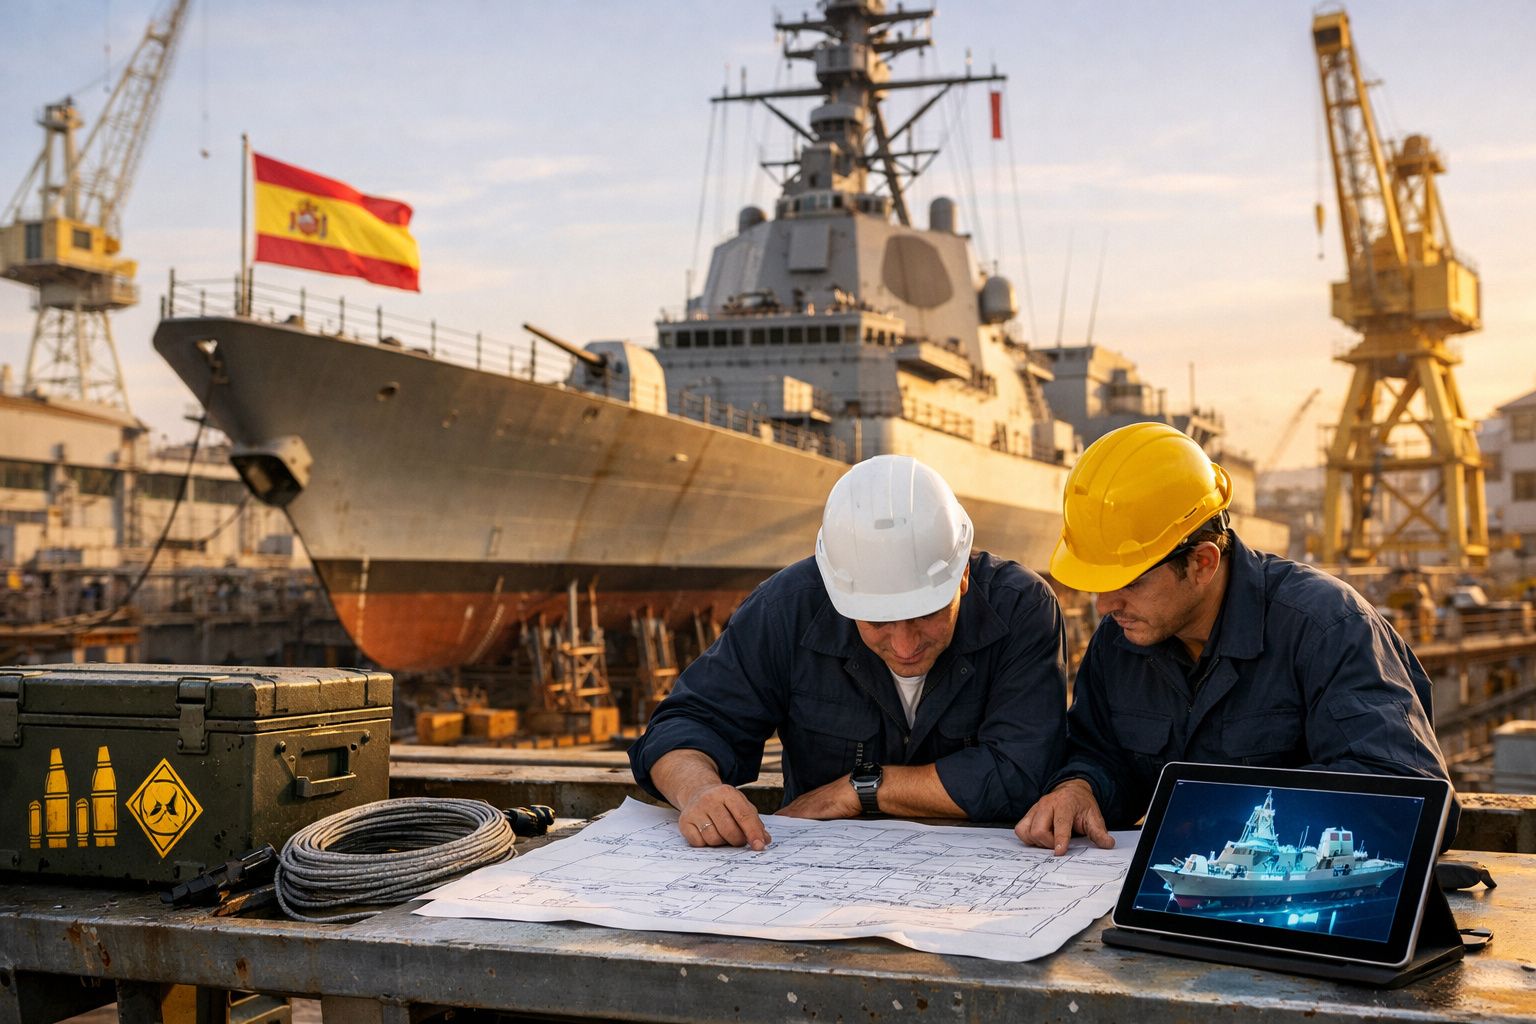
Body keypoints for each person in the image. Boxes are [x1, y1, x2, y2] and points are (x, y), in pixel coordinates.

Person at [1015, 422, 1458, 855]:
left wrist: (1225, 824)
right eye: (1098, 584)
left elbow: (1412, 796)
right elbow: (1101, 753)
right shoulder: (1121, 640)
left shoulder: (1326, 628)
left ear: (1203, 563)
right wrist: (1080, 787)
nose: (1104, 606)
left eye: (1127, 582)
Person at [630, 454, 1067, 849]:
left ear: (963, 578)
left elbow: (1021, 773)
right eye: (877, 621)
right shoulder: (785, 610)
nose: (905, 645)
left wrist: (859, 789)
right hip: (815, 875)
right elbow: (687, 723)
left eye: (925, 615)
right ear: (838, 594)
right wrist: (699, 790)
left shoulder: (1022, 608)